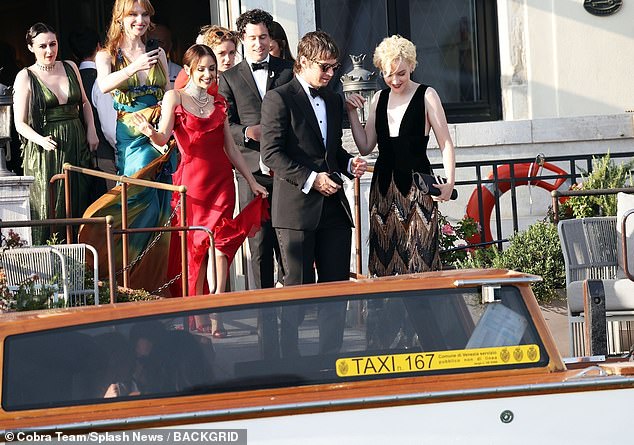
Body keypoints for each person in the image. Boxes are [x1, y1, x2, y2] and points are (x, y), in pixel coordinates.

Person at [131, 44, 269, 335]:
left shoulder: (218, 103)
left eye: (212, 69)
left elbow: (230, 148)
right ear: (189, 70)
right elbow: (163, 137)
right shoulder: (174, 97)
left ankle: (217, 312)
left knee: (220, 248)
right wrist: (148, 131)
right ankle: (196, 315)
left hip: (221, 183)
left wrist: (251, 180)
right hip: (192, 186)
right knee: (195, 251)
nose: (208, 74)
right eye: (202, 69)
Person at [260, 31, 367, 357]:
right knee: (297, 293)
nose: (331, 74)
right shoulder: (278, 98)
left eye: (334, 68)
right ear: (303, 62)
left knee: (336, 290)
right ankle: (291, 363)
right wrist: (311, 179)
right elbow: (271, 154)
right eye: (325, 67)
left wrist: (350, 163)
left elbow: (330, 152)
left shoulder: (334, 100)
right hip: (295, 210)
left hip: (334, 208)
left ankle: (330, 359)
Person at [346, 36, 455, 350]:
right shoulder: (378, 99)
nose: (395, 80)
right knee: (385, 266)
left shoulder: (427, 95)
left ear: (412, 67)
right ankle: (387, 346)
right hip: (383, 192)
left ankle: (429, 343)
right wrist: (352, 114)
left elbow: (445, 142)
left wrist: (448, 183)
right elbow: (367, 146)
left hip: (418, 190)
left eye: (402, 73)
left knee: (421, 261)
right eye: (389, 74)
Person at [79, 0, 175, 293]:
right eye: (133, 14)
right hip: (132, 137)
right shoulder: (107, 54)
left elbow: (169, 93)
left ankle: (151, 282)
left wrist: (168, 126)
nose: (140, 20)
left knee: (160, 207)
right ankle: (123, 274)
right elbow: (105, 85)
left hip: (158, 134)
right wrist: (134, 67)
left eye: (145, 14)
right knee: (136, 196)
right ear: (120, 18)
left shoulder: (158, 52)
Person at [219, 9, 294, 355]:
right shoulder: (229, 77)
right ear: (242, 40)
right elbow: (225, 126)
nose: (259, 43)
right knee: (260, 250)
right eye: (252, 38)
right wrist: (248, 132)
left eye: (264, 37)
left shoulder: (288, 72)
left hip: (288, 172)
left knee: (289, 250)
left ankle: (291, 339)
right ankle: (267, 345)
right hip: (252, 174)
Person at [13, 22, 98, 245]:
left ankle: (83, 267)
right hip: (45, 150)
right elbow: (19, 124)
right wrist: (40, 140)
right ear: (31, 48)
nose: (49, 51)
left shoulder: (70, 66)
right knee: (50, 206)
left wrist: (92, 130)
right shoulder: (25, 76)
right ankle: (49, 269)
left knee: (79, 202)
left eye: (53, 44)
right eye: (42, 46)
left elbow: (85, 103)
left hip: (77, 143)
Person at [68, 28, 118, 190]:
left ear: (75, 54)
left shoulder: (69, 81)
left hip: (76, 158)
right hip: (105, 156)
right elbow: (110, 127)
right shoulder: (104, 80)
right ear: (99, 47)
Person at [173, 25, 238, 90]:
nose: (228, 59)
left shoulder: (236, 77)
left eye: (232, 53)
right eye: (221, 53)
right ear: (208, 52)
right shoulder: (189, 75)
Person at [148, 22, 182, 88]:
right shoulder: (138, 69)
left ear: (170, 46)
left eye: (160, 42)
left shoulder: (179, 72)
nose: (156, 46)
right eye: (151, 41)